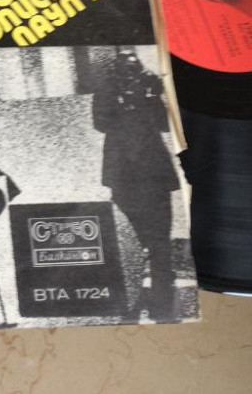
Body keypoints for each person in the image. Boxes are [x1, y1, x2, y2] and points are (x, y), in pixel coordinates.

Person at [94, 48, 180, 320]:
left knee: (160, 241)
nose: (129, 70)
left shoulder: (149, 87)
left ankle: (162, 305)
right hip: (124, 176)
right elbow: (100, 123)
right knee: (129, 240)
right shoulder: (107, 89)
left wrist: (153, 94)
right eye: (124, 65)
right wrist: (116, 95)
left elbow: (165, 124)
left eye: (133, 65)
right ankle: (131, 301)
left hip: (154, 174)